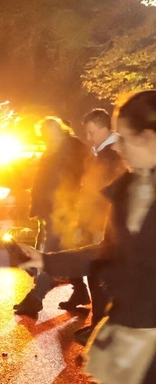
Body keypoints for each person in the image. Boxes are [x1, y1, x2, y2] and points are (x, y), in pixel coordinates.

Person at [16, 90, 156, 384]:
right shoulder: (129, 188)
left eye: (125, 134)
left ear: (151, 137)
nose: (116, 144)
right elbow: (108, 251)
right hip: (122, 334)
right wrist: (48, 262)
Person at [13, 117, 89, 317]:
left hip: (64, 211)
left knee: (53, 255)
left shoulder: (72, 148)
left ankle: (36, 298)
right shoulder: (55, 148)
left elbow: (82, 177)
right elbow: (44, 182)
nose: (45, 139)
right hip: (53, 211)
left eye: (47, 135)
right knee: (66, 252)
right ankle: (80, 291)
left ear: (57, 130)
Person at [73, 109, 127, 344]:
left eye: (91, 131)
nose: (88, 137)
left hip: (104, 224)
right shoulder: (106, 152)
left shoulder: (111, 154)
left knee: (100, 275)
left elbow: (102, 193)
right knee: (98, 274)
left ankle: (100, 329)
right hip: (103, 223)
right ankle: (98, 327)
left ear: (104, 128)